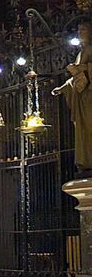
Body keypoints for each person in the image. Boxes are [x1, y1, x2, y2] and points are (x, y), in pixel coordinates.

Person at [55, 21, 92, 171]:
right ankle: (86, 161)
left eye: (83, 29)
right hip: (81, 96)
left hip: (89, 95)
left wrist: (81, 69)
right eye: (79, 30)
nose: (80, 32)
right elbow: (75, 78)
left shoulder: (90, 49)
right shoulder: (80, 52)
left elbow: (84, 72)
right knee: (83, 129)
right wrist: (63, 87)